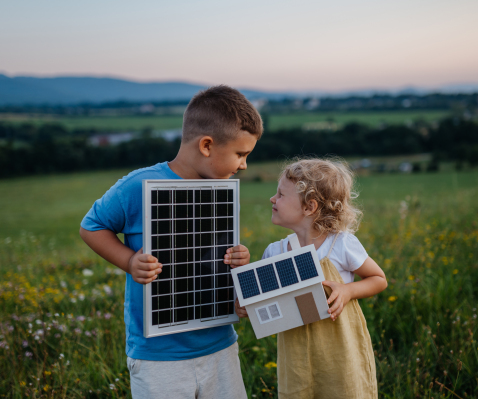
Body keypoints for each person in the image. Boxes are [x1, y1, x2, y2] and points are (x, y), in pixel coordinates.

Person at [79, 85, 262, 399]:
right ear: (207, 145)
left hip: (219, 344)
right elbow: (91, 227)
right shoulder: (138, 185)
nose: (243, 165)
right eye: (240, 154)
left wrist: (238, 257)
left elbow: (211, 254)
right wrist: (129, 261)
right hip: (158, 356)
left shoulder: (222, 191)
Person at [235, 158, 387, 399]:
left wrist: (348, 291)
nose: (272, 199)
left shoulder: (341, 244)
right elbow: (257, 302)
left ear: (309, 207)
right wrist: (245, 306)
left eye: (281, 195)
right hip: (296, 354)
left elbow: (379, 279)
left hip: (339, 350)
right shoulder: (275, 252)